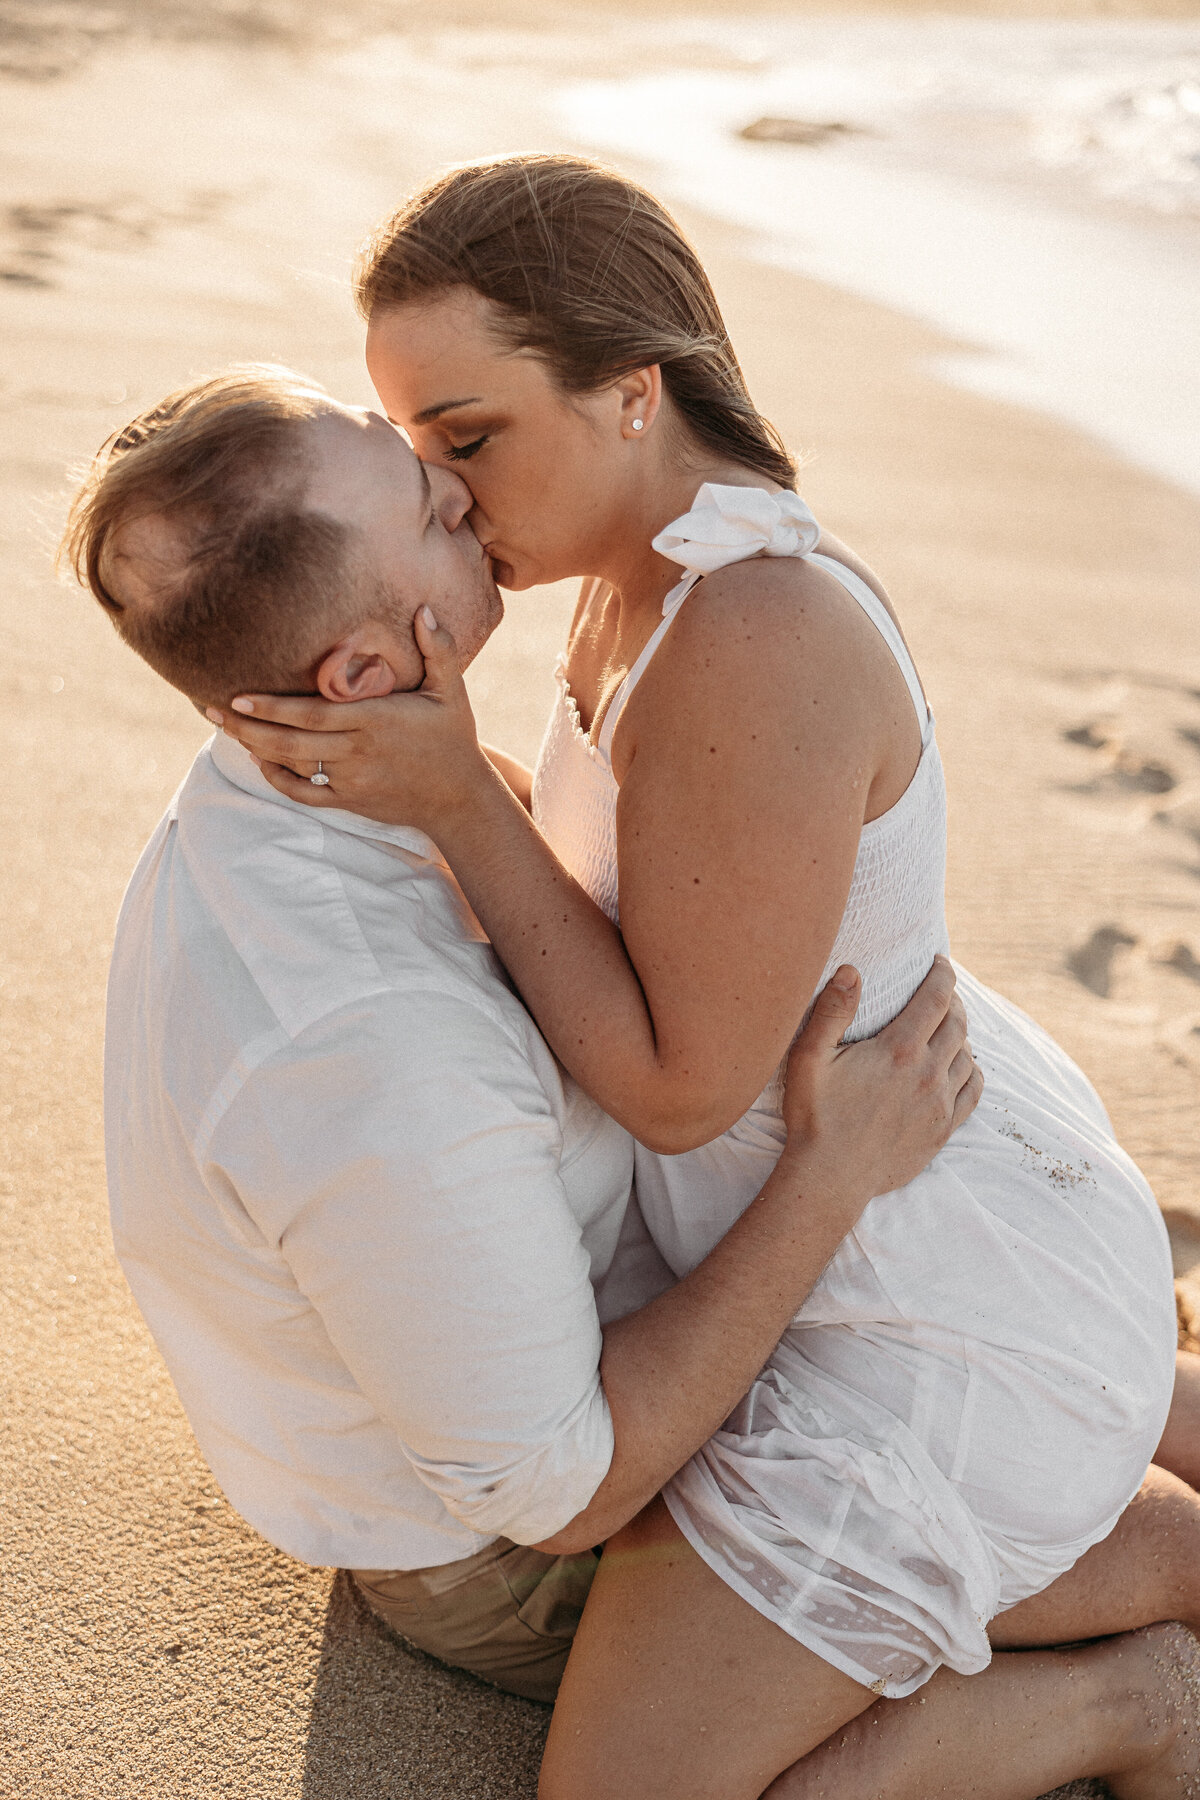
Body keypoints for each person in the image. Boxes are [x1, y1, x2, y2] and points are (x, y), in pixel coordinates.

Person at [207, 159, 1198, 1798]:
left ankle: (1136, 1697)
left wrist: (454, 794)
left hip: (898, 1294)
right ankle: (1126, 1458)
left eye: (469, 440)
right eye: (417, 455)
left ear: (630, 392)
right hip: (810, 1221)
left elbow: (682, 1086)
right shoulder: (632, 579)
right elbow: (624, 892)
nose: (443, 499)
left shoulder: (755, 633)